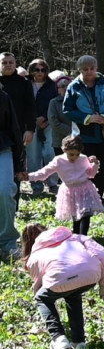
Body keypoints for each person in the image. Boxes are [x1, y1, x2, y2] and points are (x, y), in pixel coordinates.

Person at [22, 223, 104, 349]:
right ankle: (79, 341)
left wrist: (47, 307)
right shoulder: (76, 237)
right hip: (91, 275)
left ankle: (58, 338)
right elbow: (102, 255)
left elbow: (39, 286)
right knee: (73, 295)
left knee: (42, 298)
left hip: (61, 278)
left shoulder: (34, 256)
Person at [63, 55, 104, 201]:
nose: (89, 72)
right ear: (79, 70)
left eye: (92, 68)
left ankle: (99, 196)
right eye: (85, 69)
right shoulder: (73, 86)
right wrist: (87, 118)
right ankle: (87, 197)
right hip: (85, 136)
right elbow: (67, 110)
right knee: (86, 168)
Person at [27, 136, 104, 235]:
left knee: (86, 214)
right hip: (69, 190)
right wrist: (28, 177)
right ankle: (76, 235)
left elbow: (91, 174)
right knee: (75, 216)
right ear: (64, 150)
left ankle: (83, 237)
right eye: (71, 154)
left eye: (77, 154)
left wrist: (95, 164)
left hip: (85, 188)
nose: (74, 157)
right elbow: (44, 173)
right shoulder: (58, 160)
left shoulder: (83, 158)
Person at [0, 85, 28, 258]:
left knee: (4, 190)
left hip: (2, 148)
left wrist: (19, 164)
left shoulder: (3, 97)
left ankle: (7, 241)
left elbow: (14, 127)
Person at [26, 59, 59, 194]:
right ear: (31, 70)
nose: (40, 73)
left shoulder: (52, 86)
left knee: (50, 153)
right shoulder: (25, 84)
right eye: (36, 69)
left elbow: (56, 103)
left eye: (43, 70)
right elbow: (23, 103)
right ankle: (36, 185)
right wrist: (32, 120)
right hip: (29, 124)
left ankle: (52, 183)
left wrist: (45, 118)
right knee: (33, 155)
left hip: (48, 123)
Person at [1, 53, 34, 152]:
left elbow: (30, 106)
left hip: (18, 129)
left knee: (17, 162)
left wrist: (30, 129)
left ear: (15, 64)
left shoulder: (24, 82)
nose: (8, 65)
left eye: (10, 62)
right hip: (1, 130)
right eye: (4, 62)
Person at [47, 76, 74, 157]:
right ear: (58, 90)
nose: (66, 88)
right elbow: (54, 122)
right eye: (62, 86)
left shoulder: (78, 101)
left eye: (68, 86)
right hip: (60, 142)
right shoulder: (54, 102)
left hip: (78, 141)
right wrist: (72, 132)